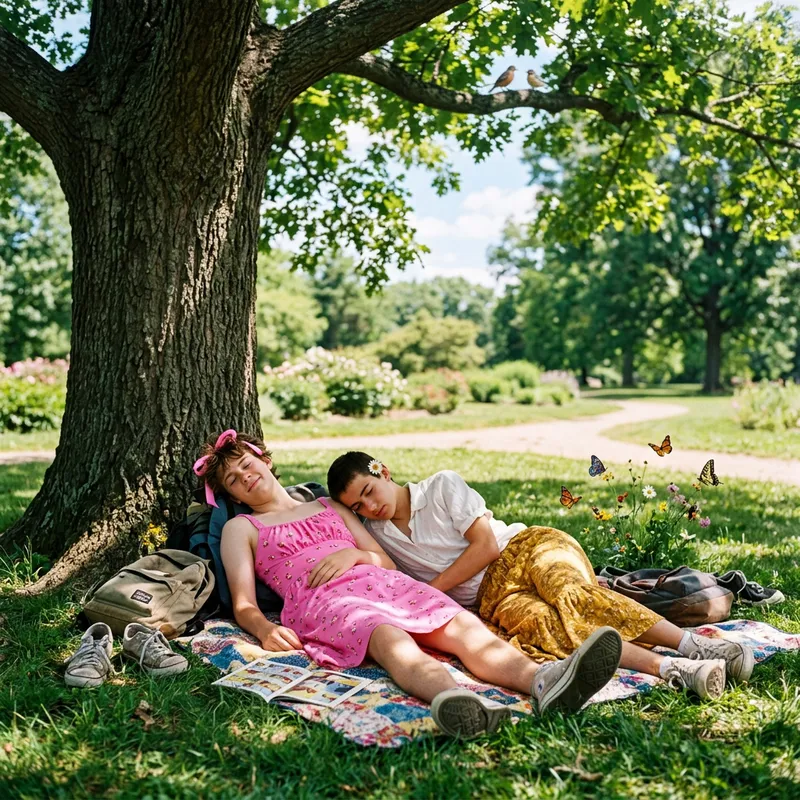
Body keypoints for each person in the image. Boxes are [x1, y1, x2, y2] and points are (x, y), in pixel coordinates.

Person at [193, 430, 624, 738]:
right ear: (232, 496)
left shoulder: (330, 506)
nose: (245, 477)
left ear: (265, 461)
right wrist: (264, 629)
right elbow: (244, 603)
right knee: (390, 639)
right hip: (326, 601)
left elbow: (381, 559)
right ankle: (461, 704)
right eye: (233, 480)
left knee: (463, 628)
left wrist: (353, 555)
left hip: (384, 581)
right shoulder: (241, 528)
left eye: (247, 465)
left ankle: (545, 682)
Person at [326, 453, 757, 699]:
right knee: (549, 628)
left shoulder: (440, 486)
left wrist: (432, 591)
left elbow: (486, 547)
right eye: (359, 506)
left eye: (369, 491)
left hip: (526, 548)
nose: (370, 507)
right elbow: (338, 527)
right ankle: (675, 669)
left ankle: (693, 645)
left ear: (383, 471)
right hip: (493, 598)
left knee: (570, 596)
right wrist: (353, 550)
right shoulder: (377, 533)